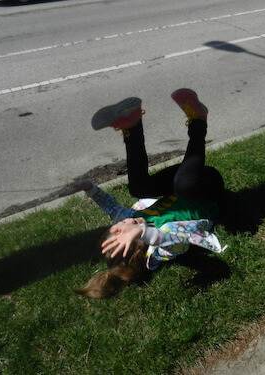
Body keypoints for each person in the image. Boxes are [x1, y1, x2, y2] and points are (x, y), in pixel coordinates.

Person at [65, 89, 226, 298]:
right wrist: (144, 233)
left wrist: (89, 188)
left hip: (186, 182)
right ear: (141, 245)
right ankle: (198, 120)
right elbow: (179, 243)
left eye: (118, 226)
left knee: (138, 189)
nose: (127, 223)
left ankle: (130, 124)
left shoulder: (132, 221)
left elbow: (110, 206)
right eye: (129, 229)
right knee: (184, 185)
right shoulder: (160, 248)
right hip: (207, 190)